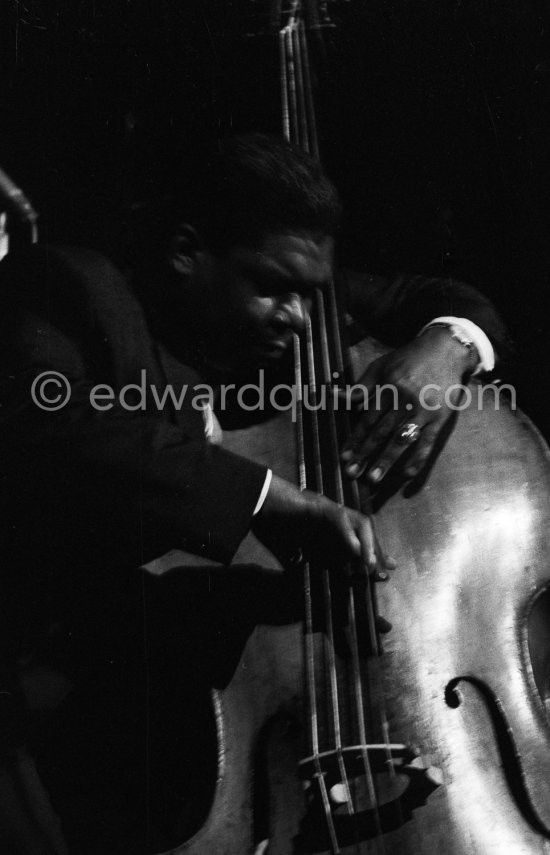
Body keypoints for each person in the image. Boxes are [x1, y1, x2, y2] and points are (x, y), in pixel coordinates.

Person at [0, 134, 508, 853]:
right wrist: (271, 497)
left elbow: (443, 299)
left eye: (311, 293)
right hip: (64, 716)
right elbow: (43, 420)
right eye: (276, 288)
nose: (302, 318)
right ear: (185, 251)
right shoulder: (68, 283)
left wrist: (446, 349)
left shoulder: (291, 300)